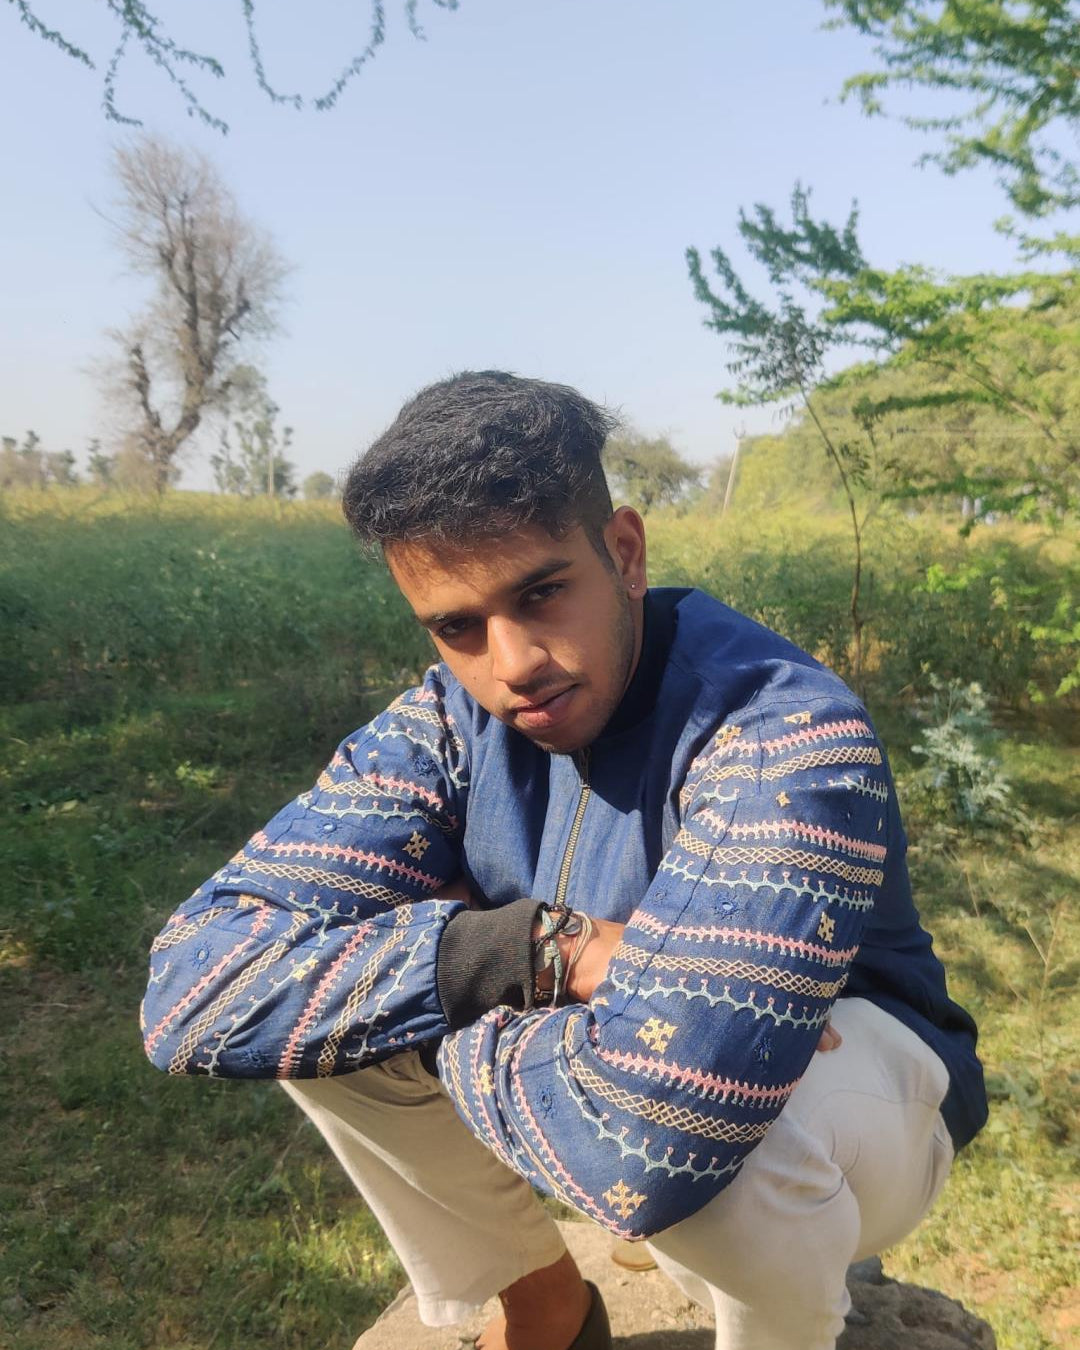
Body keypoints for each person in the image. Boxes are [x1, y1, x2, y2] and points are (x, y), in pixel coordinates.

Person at [142, 371, 987, 1350]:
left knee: (725, 1147)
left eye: (541, 593)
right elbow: (189, 989)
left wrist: (435, 990)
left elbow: (654, 1145)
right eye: (457, 626)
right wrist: (533, 950)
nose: (512, 665)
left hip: (864, 1097)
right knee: (324, 1031)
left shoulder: (780, 728)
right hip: (610, 1058)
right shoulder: (445, 729)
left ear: (624, 552)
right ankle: (544, 1301)